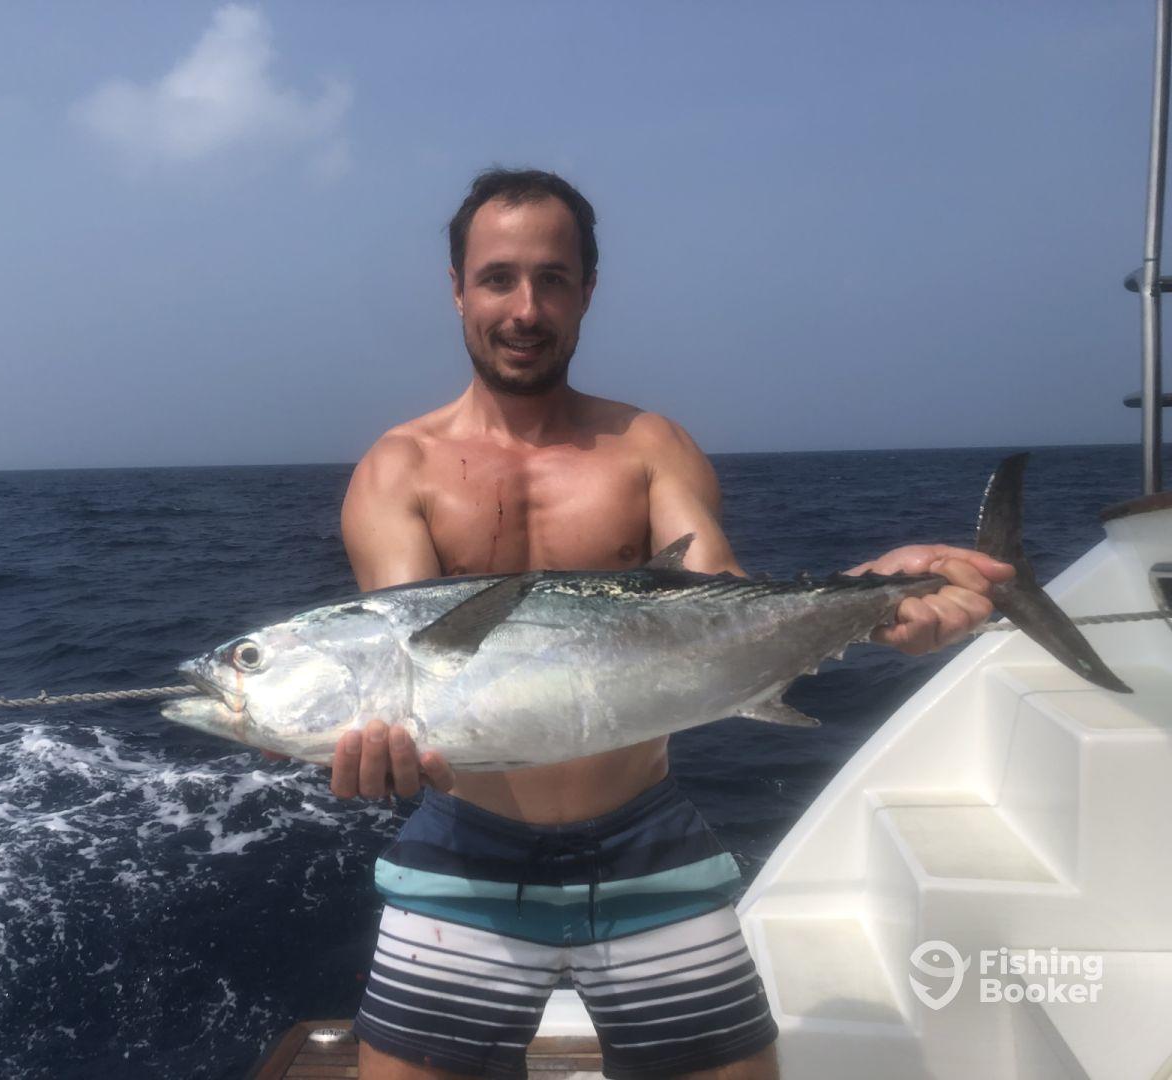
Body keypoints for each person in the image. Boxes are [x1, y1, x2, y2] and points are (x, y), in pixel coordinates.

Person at [331, 168, 1013, 1079]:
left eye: (553, 279)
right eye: (497, 277)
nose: (525, 308)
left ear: (588, 292)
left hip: (644, 838)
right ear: (457, 288)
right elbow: (411, 677)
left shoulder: (650, 445)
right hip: (465, 846)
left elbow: (720, 607)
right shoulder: (396, 469)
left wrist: (882, 596)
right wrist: (380, 746)